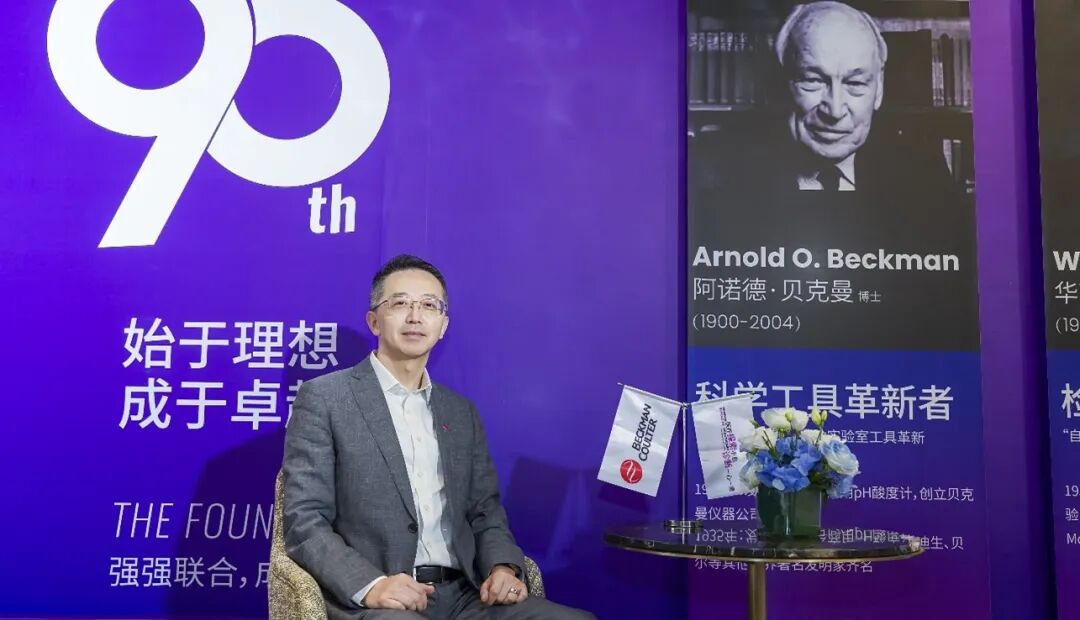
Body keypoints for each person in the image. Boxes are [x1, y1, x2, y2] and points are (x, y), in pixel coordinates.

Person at [282, 255, 594, 620]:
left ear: (443, 325)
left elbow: (485, 511)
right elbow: (305, 521)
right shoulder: (326, 398)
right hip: (382, 599)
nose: (415, 316)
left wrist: (502, 567)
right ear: (374, 321)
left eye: (429, 306)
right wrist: (372, 585)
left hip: (465, 597)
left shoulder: (460, 412)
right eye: (400, 303)